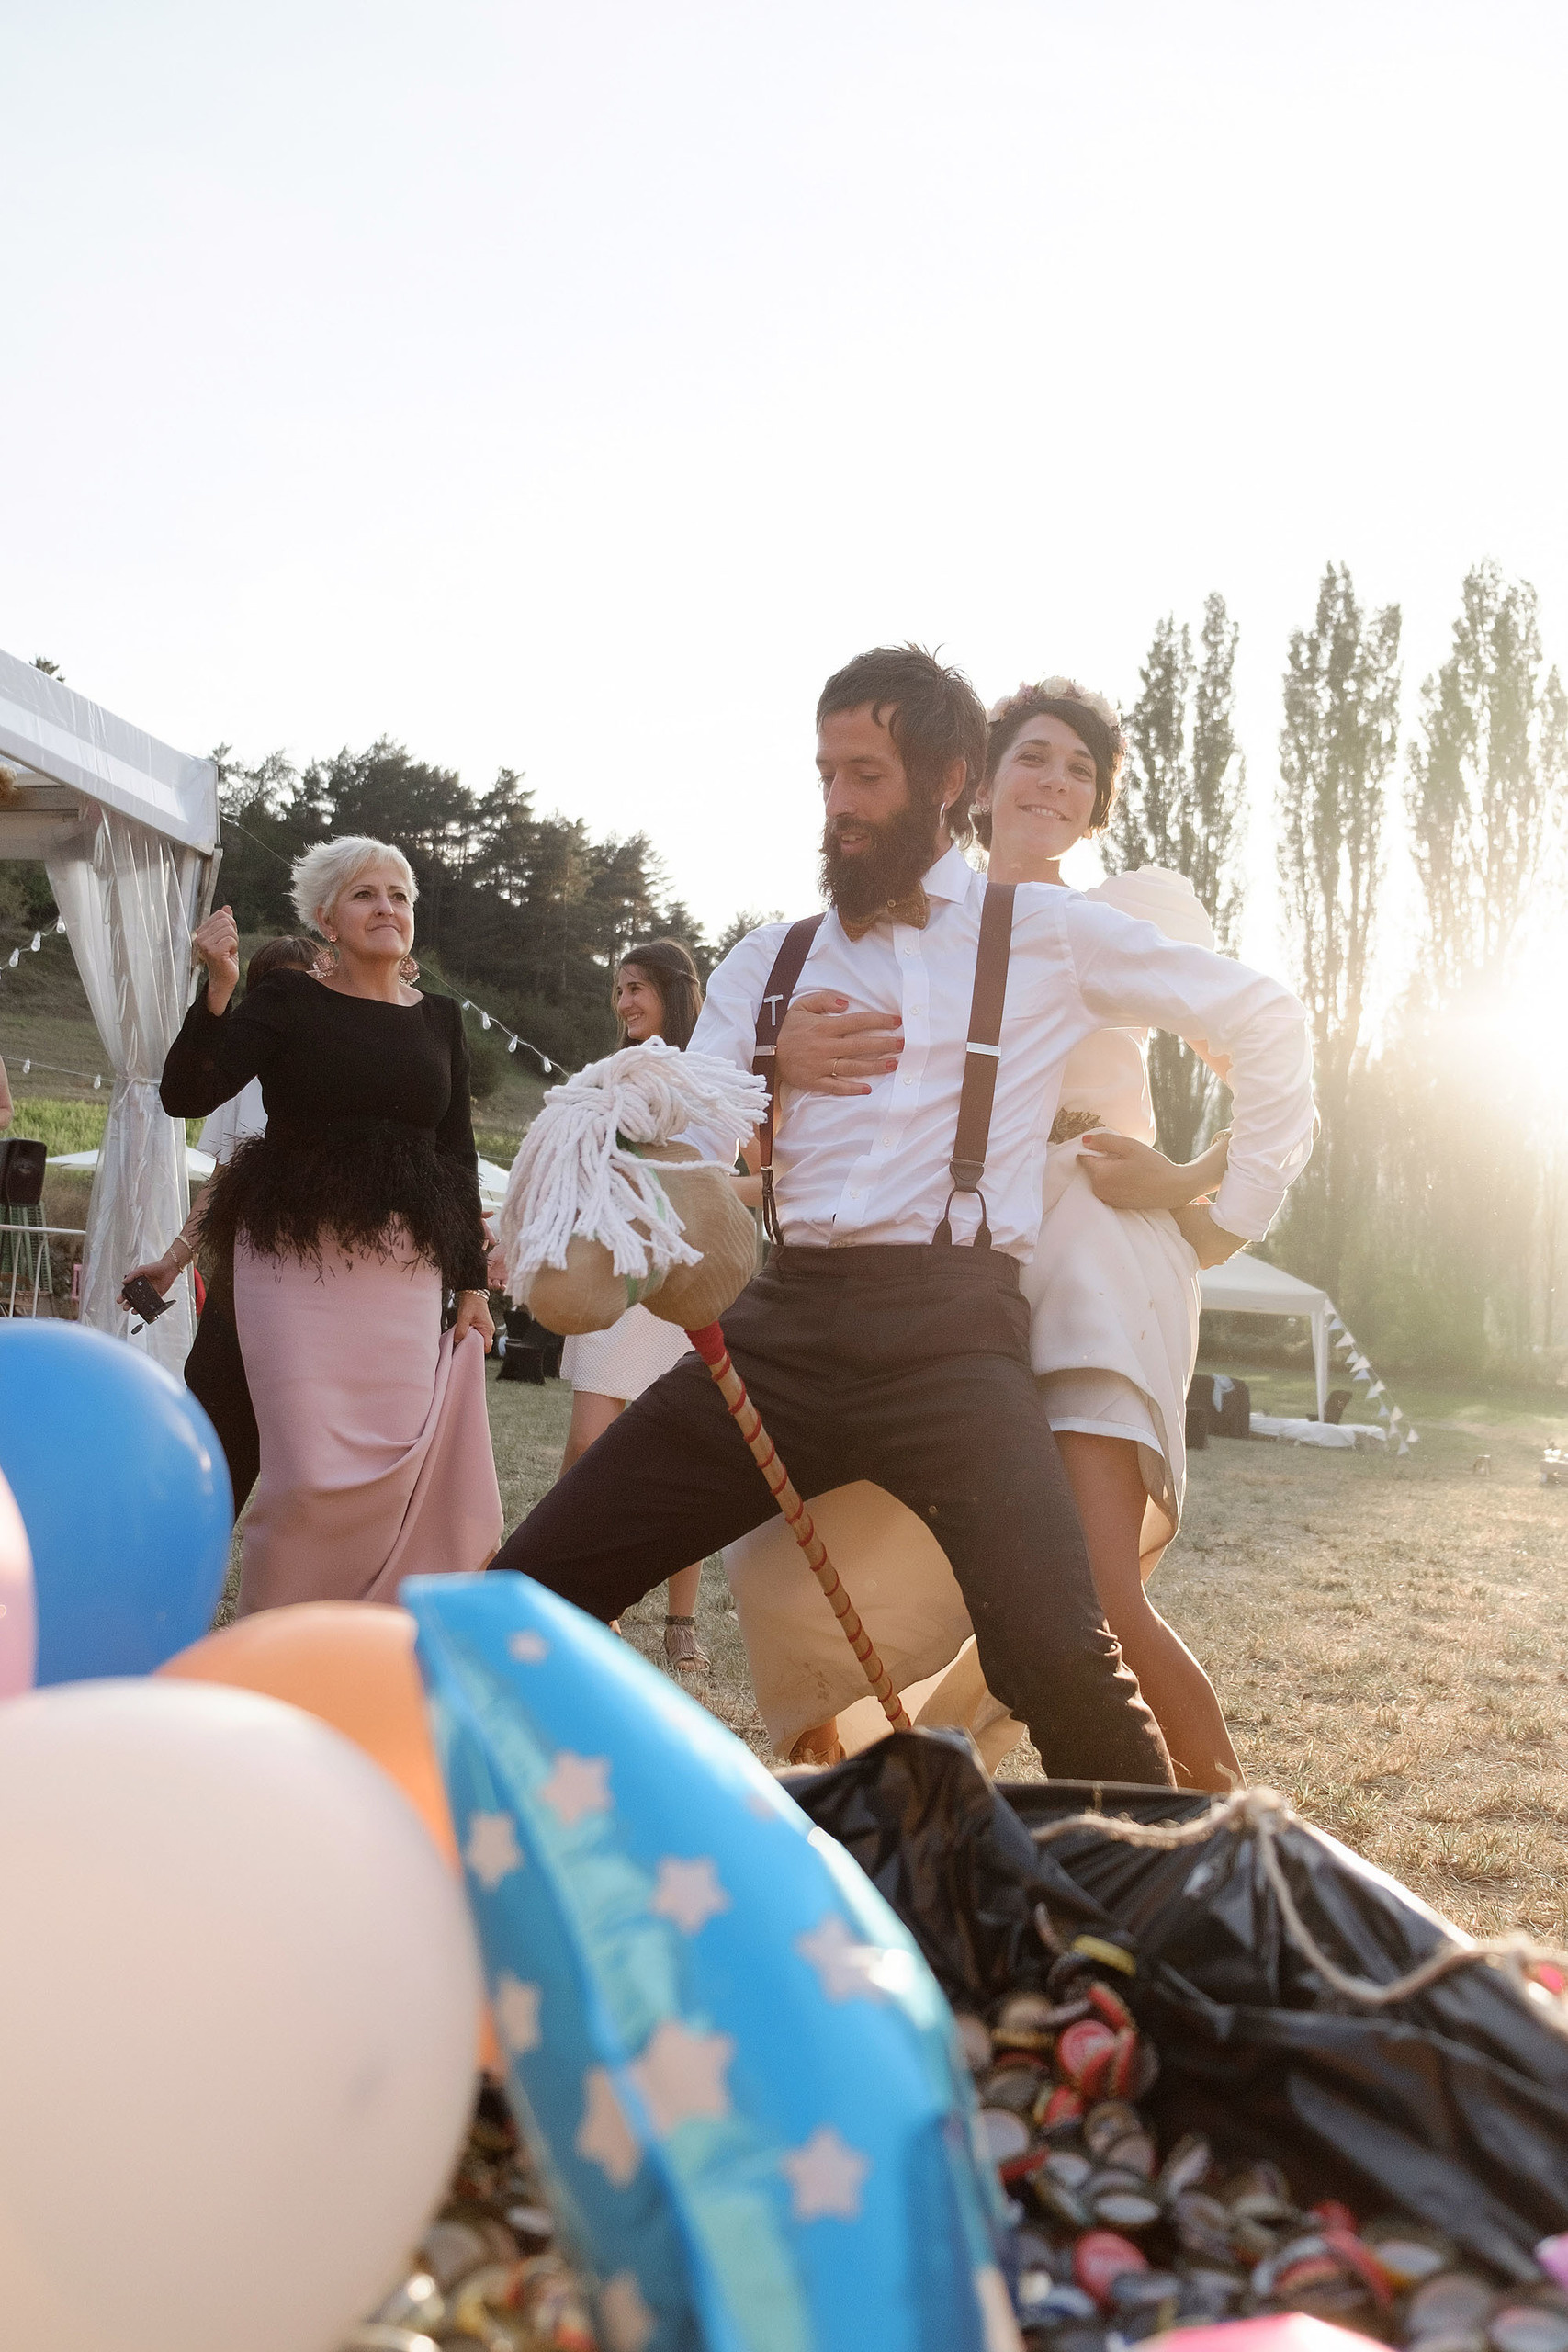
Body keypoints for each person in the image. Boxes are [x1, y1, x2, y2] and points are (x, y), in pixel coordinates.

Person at [488, 647, 1314, 1788]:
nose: (837, 803)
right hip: (784, 1328)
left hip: (955, 1339)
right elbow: (681, 1129)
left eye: (865, 775)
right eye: (826, 772)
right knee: (524, 1587)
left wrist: (1233, 1213)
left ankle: (1160, 1911)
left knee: (1060, 1658)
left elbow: (1264, 1018)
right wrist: (771, 1063)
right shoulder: (765, 961)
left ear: (946, 778)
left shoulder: (1048, 933)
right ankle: (494, 1828)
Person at [728, 679, 1249, 1790]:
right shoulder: (910, 928)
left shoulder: (1127, 918)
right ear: (972, 778)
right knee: (822, 1541)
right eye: (1035, 757)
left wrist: (1191, 1175)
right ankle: (863, 1768)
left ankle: (1231, 1843)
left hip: (1104, 1259)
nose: (1055, 784)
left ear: (1098, 807)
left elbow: (1262, 1049)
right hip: (958, 1285)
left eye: (1081, 771)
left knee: (1100, 1593)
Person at [160, 837, 502, 1612]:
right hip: (293, 1256)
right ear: (327, 918)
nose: (387, 908)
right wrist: (218, 988)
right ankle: (279, 1633)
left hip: (403, 1268)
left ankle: (361, 1640)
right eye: (366, 895)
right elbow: (187, 1093)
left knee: (394, 1468)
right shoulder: (287, 1002)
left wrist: (471, 1283)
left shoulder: (441, 1021)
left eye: (399, 895)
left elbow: (457, 1154)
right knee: (308, 1471)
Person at [557, 938, 746, 1675]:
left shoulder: (711, 1078)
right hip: (612, 1268)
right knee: (586, 1443)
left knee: (679, 1455)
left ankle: (679, 1619)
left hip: (679, 1275)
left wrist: (686, 1197)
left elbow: (751, 1175)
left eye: (637, 987)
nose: (626, 1002)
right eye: (618, 990)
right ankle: (585, 1594)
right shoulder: (605, 1076)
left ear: (675, 990)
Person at [121, 933, 316, 1510]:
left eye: (302, 983)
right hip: (249, 1271)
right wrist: (175, 1260)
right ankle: (185, 1553)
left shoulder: (359, 1064)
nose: (290, 998)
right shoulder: (243, 1072)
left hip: (331, 1283)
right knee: (214, 1425)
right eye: (273, 987)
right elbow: (224, 1177)